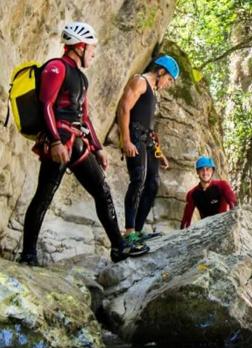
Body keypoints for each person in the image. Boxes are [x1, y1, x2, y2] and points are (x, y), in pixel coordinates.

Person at [18, 22, 148, 266]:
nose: (93, 53)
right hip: (58, 145)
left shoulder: (81, 78)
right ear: (79, 46)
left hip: (76, 144)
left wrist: (98, 148)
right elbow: (46, 104)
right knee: (43, 198)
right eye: (91, 48)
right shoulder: (56, 68)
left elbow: (84, 116)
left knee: (102, 191)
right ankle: (28, 255)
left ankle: (119, 247)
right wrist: (55, 141)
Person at [117, 55, 179, 243]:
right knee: (138, 180)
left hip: (147, 141)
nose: (168, 84)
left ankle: (138, 229)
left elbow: (148, 126)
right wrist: (125, 140)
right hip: (134, 137)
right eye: (169, 79)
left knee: (152, 184)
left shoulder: (152, 90)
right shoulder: (140, 81)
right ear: (160, 71)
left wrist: (159, 153)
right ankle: (129, 232)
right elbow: (123, 109)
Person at [180, 156, 237, 229]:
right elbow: (186, 220)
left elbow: (233, 203)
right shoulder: (192, 194)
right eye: (202, 169)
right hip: (206, 231)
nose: (205, 172)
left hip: (222, 227)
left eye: (208, 169)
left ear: (212, 171)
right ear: (197, 172)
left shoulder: (222, 185)